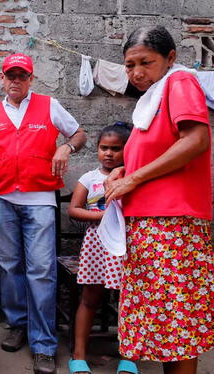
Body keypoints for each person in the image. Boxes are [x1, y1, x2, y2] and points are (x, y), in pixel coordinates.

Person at [105, 25, 214, 374]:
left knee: (177, 329)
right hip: (152, 225)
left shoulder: (179, 83)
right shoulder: (152, 100)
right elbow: (160, 153)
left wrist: (135, 176)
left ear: (170, 58)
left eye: (145, 62)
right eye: (129, 64)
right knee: (169, 328)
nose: (136, 72)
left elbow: (196, 140)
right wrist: (125, 169)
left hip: (172, 226)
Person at [0, 53, 87, 374]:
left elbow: (78, 134)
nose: (15, 80)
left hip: (39, 199)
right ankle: (18, 323)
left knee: (41, 269)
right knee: (10, 266)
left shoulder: (49, 106)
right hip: (1, 200)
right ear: (1, 79)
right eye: (10, 75)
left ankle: (43, 344)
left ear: (30, 79)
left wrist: (66, 147)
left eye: (21, 75)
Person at [67, 122, 137, 374]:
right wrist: (102, 217)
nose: (108, 153)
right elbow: (73, 209)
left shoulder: (134, 176)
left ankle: (129, 357)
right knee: (90, 298)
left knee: (129, 300)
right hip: (97, 245)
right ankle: (78, 356)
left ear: (127, 150)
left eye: (115, 149)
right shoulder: (90, 178)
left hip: (126, 245)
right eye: (103, 148)